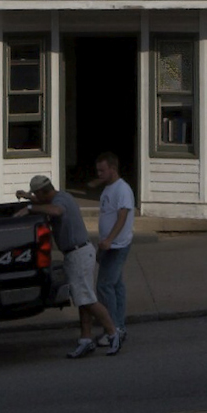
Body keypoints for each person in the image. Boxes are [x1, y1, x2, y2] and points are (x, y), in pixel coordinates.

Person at [20, 174, 118, 358]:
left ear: (44, 192)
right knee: (82, 299)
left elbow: (56, 211)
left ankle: (113, 333)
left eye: (37, 194)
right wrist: (28, 197)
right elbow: (45, 203)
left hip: (78, 253)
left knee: (88, 299)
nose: (36, 197)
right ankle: (86, 339)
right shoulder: (59, 196)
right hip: (77, 253)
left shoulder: (60, 200)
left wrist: (30, 207)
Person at [93, 152, 134, 354]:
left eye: (102, 170)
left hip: (117, 246)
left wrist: (109, 239)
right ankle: (119, 326)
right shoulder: (109, 188)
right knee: (116, 285)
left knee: (104, 285)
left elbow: (122, 216)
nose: (99, 174)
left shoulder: (122, 189)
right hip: (108, 244)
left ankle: (114, 329)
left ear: (113, 169)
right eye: (97, 170)